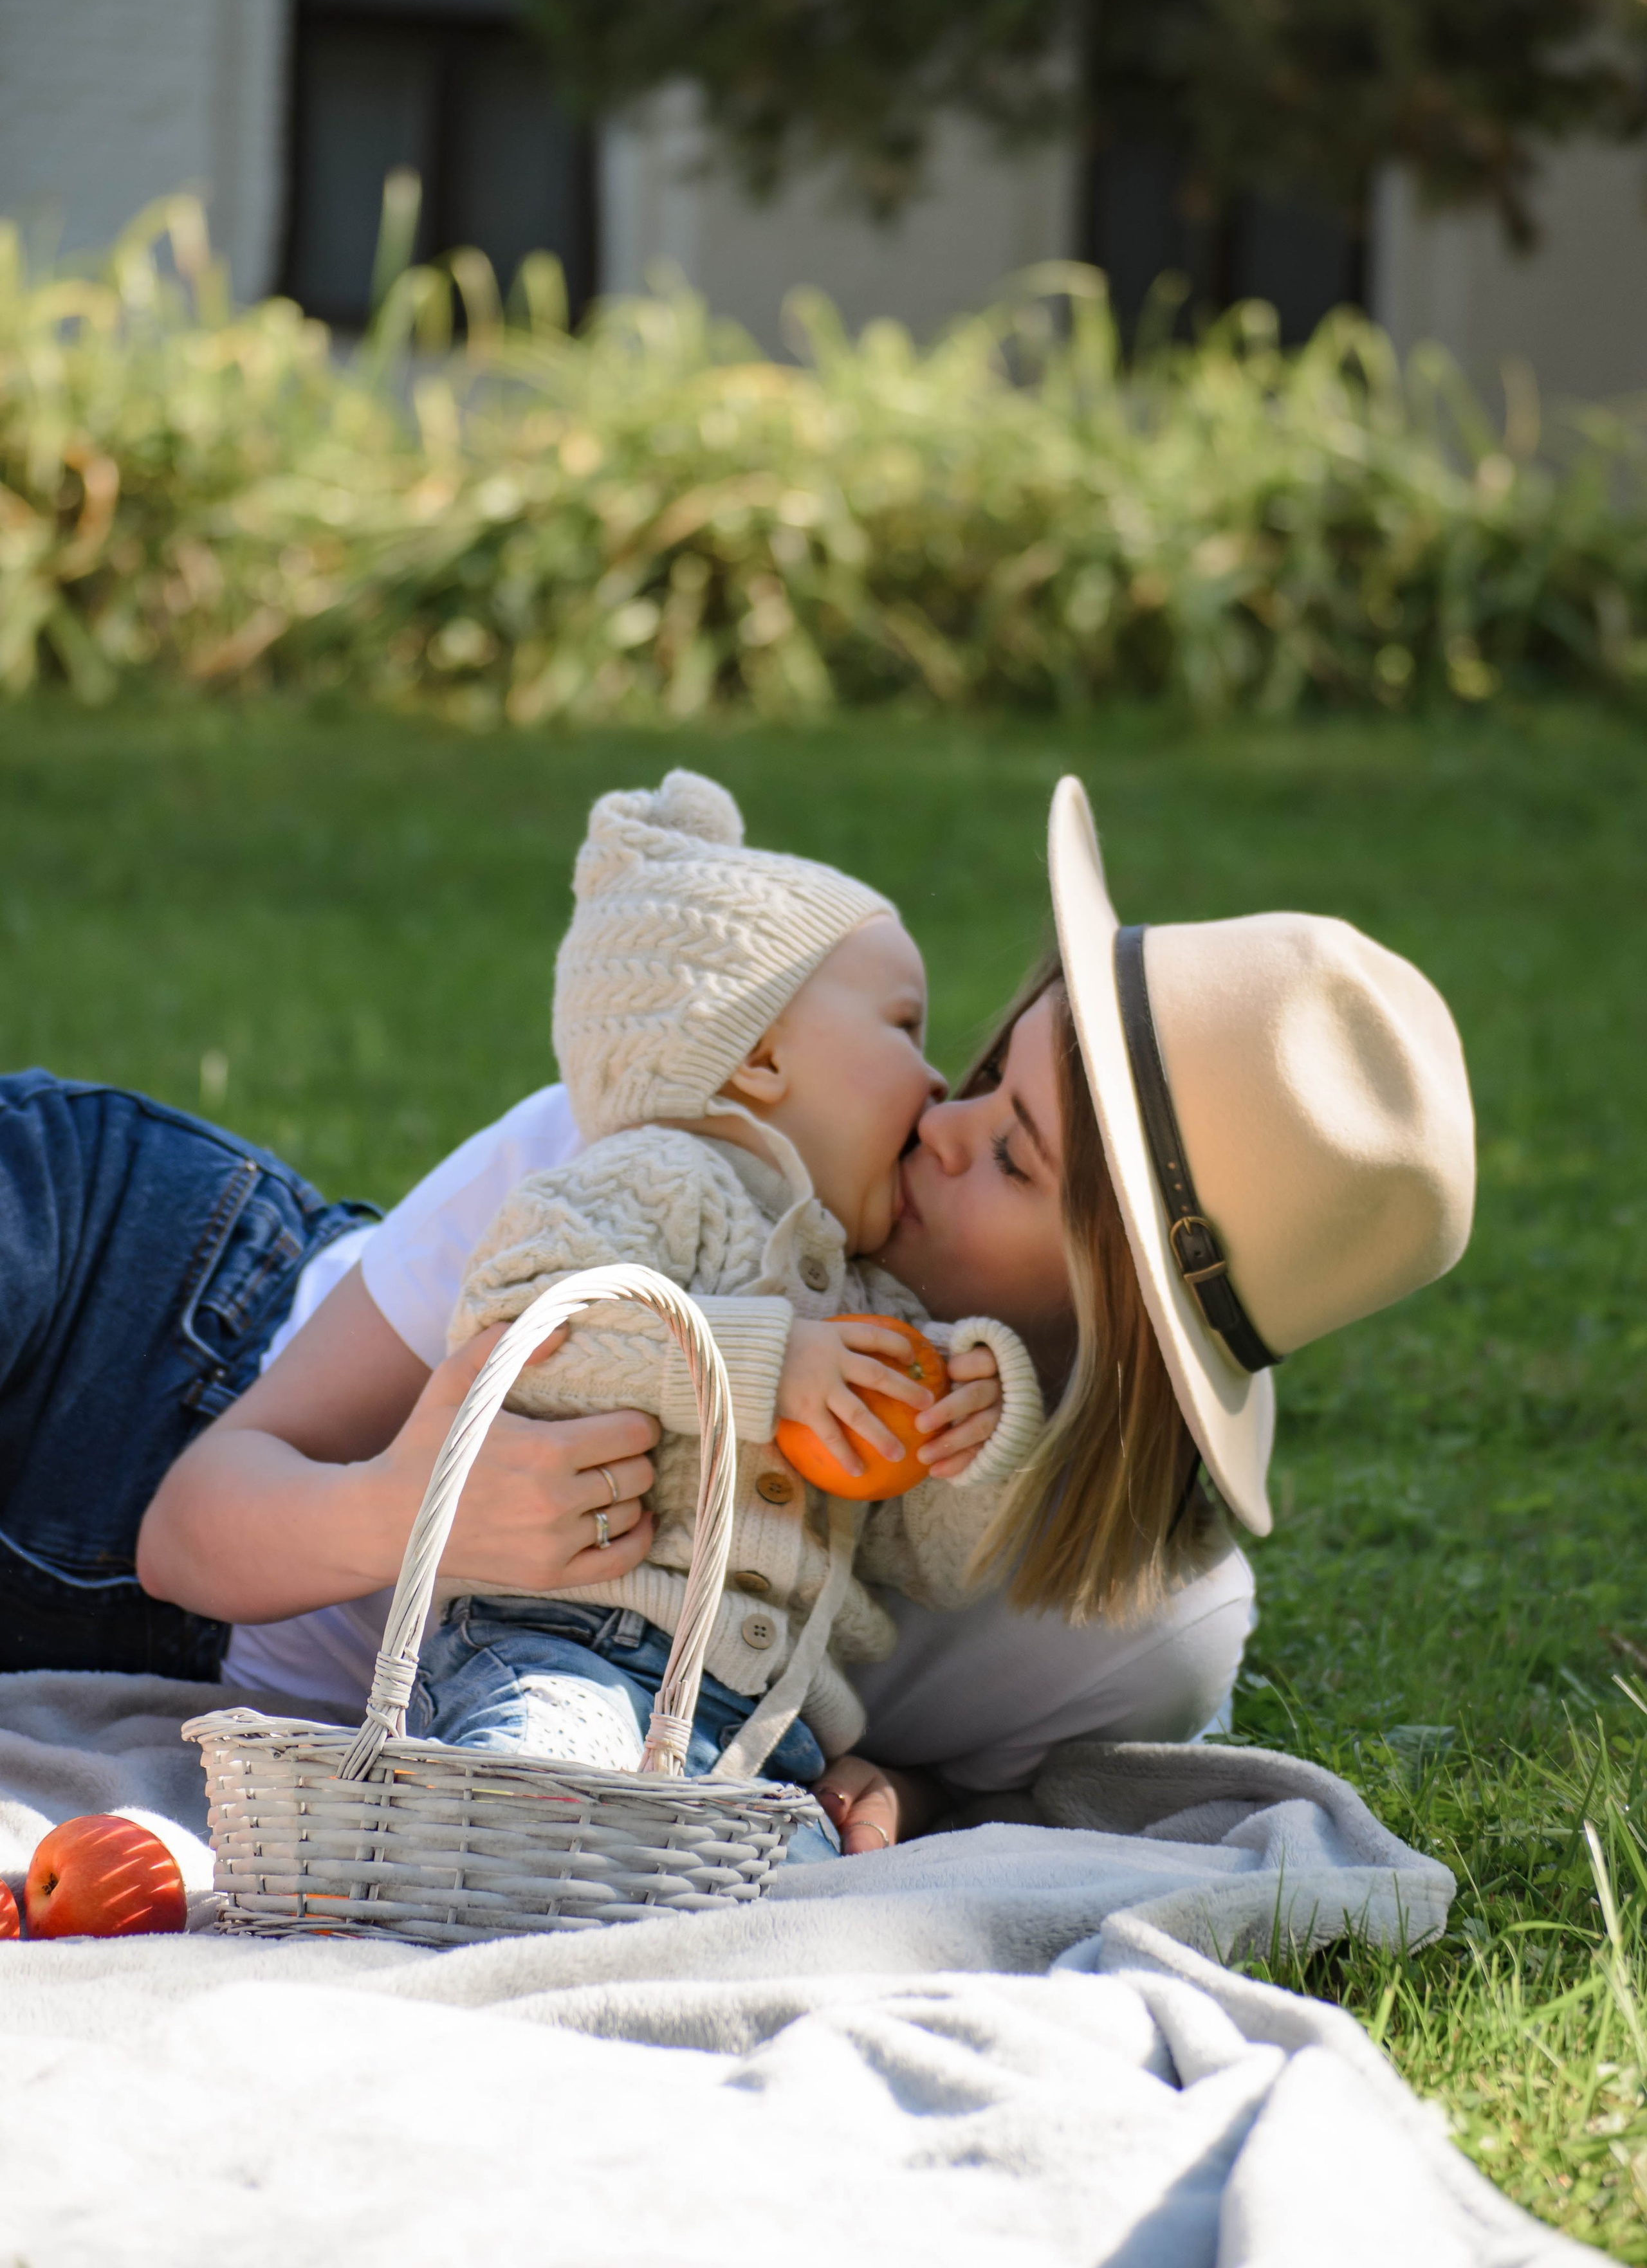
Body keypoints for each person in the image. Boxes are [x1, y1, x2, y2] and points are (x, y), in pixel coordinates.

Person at [2, 773, 1475, 1856]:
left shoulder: (1140, 1638)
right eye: (982, 1076)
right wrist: (409, 1507)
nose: (940, 1127)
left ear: (1124, 1322)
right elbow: (194, 1524)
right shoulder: (677, 1169)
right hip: (139, 1313)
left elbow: (970, 1754)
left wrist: (920, 1793)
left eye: (1011, 1154)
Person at [407, 769, 1047, 1800]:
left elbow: (926, 1561)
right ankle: (483, 1849)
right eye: (905, 1028)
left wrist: (975, 1442)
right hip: (572, 1643)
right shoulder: (658, 1180)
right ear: (756, 1058)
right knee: (553, 1771)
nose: (938, 1083)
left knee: (784, 1863)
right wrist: (763, 1360)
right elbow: (523, 1315)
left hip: (759, 1727)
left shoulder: (870, 1297)